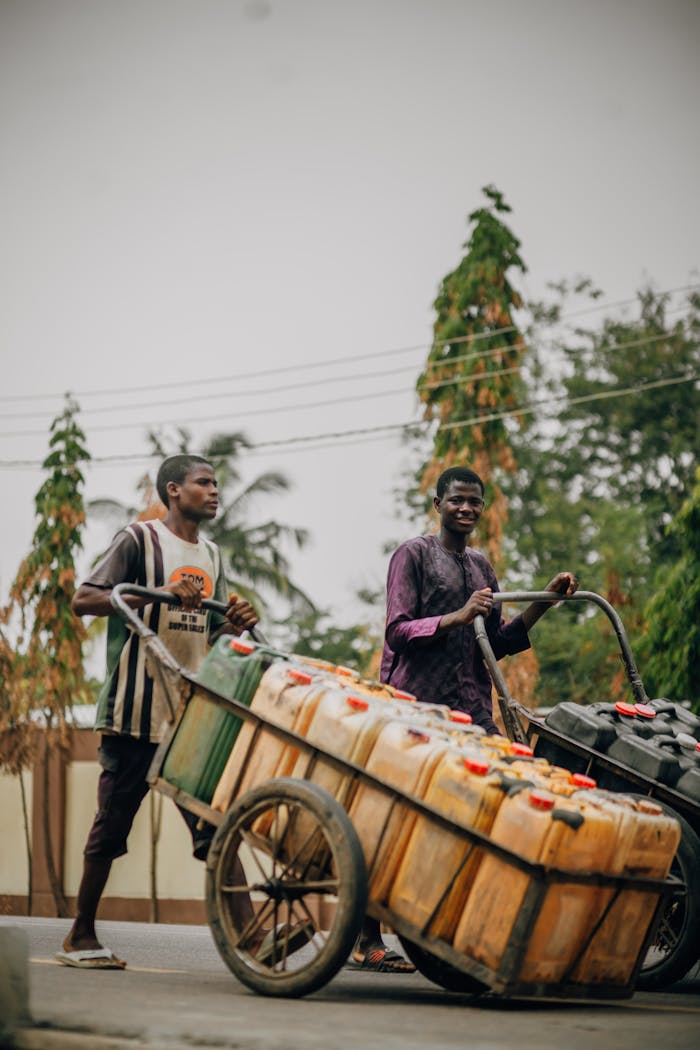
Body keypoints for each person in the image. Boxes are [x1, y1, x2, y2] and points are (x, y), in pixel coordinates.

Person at [350, 465, 578, 972]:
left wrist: (544, 600)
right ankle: (366, 939)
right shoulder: (413, 555)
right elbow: (398, 631)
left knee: (493, 810)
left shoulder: (481, 567)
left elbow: (496, 643)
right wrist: (455, 617)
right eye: (456, 500)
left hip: (474, 712)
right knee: (396, 816)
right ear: (438, 504)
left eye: (474, 501)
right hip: (417, 710)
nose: (466, 509)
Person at [56, 454, 259, 970]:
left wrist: (234, 622)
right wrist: (158, 592)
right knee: (112, 826)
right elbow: (84, 599)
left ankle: (254, 941)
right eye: (203, 483)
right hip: (133, 712)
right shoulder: (138, 539)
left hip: (187, 716)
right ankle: (80, 935)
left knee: (215, 826)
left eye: (216, 483)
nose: (214, 491)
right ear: (173, 490)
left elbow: (206, 636)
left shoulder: (211, 555)